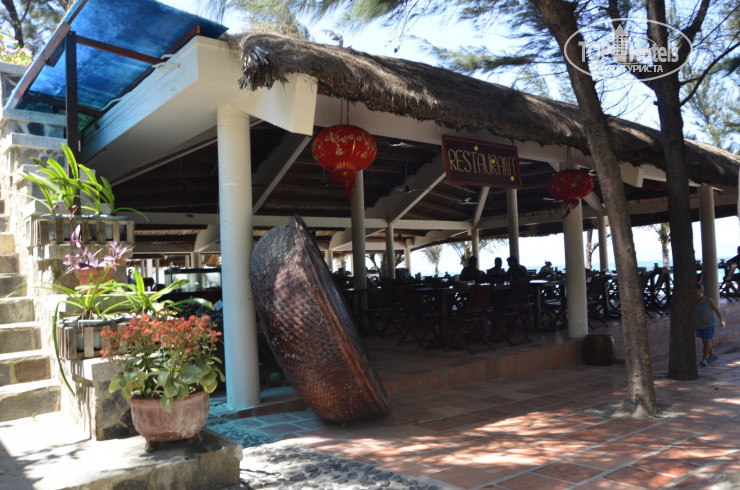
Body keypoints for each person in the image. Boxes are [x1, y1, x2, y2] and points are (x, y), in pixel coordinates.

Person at [695, 283, 726, 366]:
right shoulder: (693, 302)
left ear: (702, 292)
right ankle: (712, 355)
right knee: (705, 341)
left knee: (706, 341)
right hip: (699, 325)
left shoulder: (708, 301)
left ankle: (704, 359)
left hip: (709, 324)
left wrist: (722, 319)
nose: (696, 297)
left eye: (697, 294)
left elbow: (716, 310)